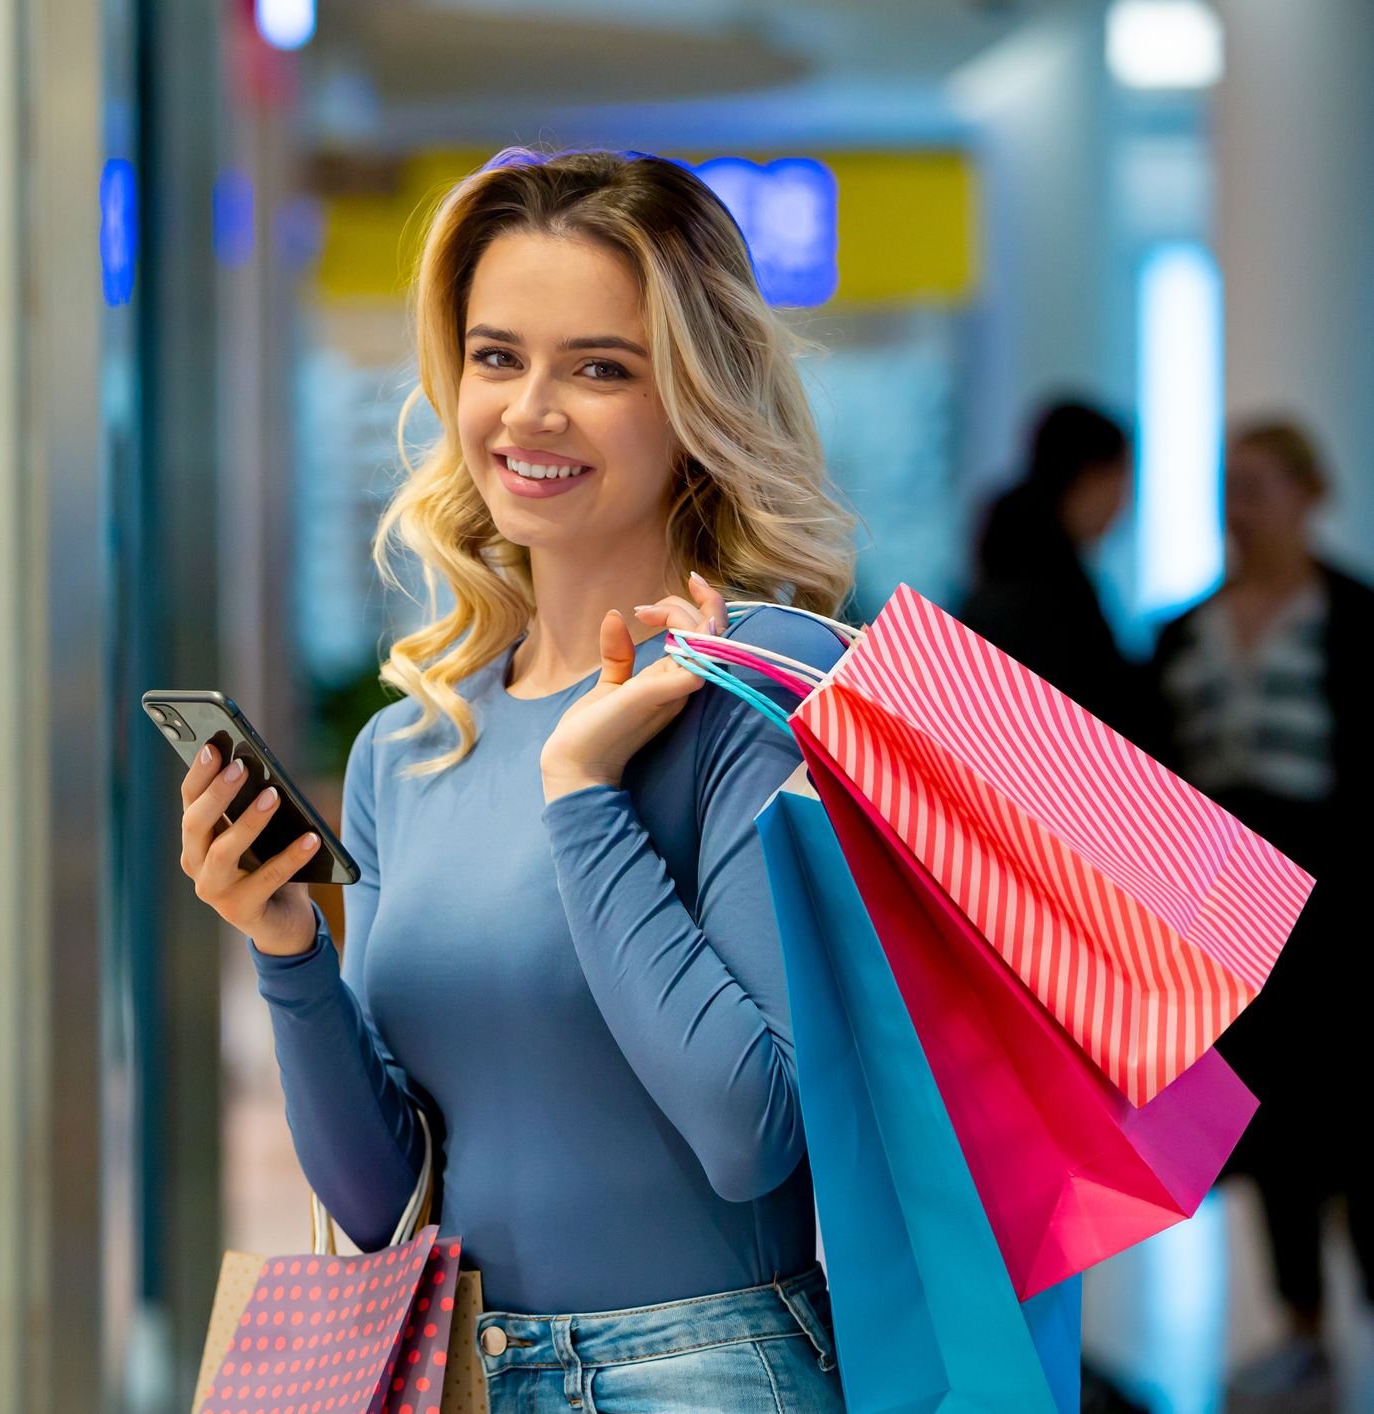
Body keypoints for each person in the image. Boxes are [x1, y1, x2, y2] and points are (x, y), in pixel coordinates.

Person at [176, 147, 855, 1411]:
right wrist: (285, 949)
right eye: (497, 357)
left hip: (707, 1374)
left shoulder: (760, 690)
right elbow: (383, 1200)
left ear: (695, 399)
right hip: (463, 1376)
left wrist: (584, 790)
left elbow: (750, 1134)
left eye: (599, 366)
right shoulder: (413, 743)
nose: (529, 410)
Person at [1152, 419, 1374, 1401]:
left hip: (1341, 917)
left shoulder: (1354, 617)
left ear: (1306, 493)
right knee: (1275, 1122)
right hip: (1231, 914)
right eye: (1225, 487)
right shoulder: (1185, 628)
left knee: (1359, 1115)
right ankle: (1304, 1324)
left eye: (1255, 487)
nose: (1236, 509)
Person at [958, 399, 1167, 755]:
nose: (1124, 502)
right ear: (1093, 477)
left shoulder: (1009, 558)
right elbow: (1095, 704)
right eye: (1123, 479)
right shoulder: (1058, 592)